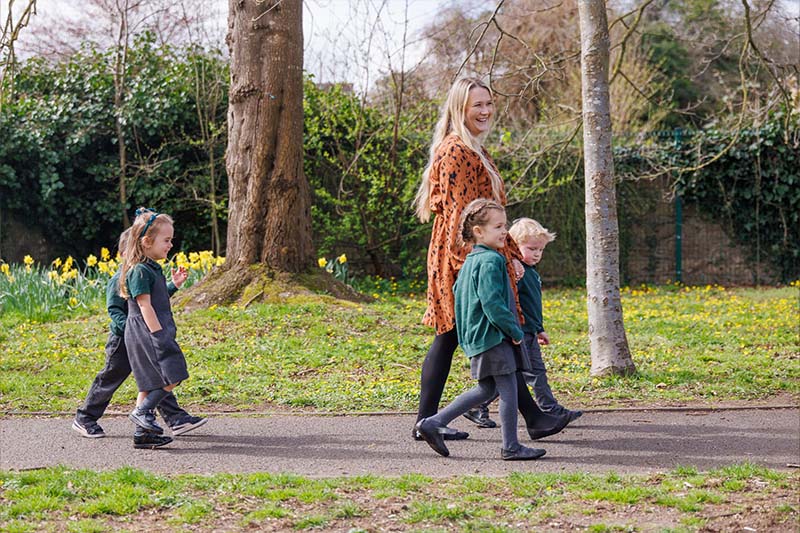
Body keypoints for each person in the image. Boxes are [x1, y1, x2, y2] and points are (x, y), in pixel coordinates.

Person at [413, 76, 570, 442]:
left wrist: (508, 252)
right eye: (476, 105)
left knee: (452, 337)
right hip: (463, 256)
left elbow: (485, 211)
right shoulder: (457, 151)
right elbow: (465, 218)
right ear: (459, 109)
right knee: (462, 334)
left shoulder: (475, 150)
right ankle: (531, 418)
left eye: (488, 104)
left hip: (471, 253)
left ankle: (429, 423)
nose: (485, 111)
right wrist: (487, 262)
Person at [415, 199, 546, 460]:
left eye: (505, 225)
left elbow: (457, 296)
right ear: (478, 231)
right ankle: (511, 447)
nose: (504, 232)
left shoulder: (472, 260)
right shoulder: (491, 262)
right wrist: (515, 332)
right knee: (508, 391)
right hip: (494, 337)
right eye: (498, 226)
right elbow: (493, 304)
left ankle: (432, 423)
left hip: (480, 338)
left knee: (487, 390)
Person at [72, 228, 207, 447]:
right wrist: (131, 331)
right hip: (123, 341)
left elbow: (153, 300)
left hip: (141, 337)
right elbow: (114, 310)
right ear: (123, 254)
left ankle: (175, 419)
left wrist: (174, 285)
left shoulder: (144, 272)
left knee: (156, 376)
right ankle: (85, 418)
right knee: (110, 378)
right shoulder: (119, 278)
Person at [464, 218, 583, 428]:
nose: (537, 254)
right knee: (527, 375)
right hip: (517, 332)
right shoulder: (515, 272)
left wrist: (539, 329)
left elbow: (532, 305)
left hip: (529, 331)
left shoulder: (532, 273)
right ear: (515, 247)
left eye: (541, 250)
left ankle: (479, 406)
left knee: (524, 375)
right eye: (532, 249)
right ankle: (548, 408)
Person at [120, 208, 192, 449]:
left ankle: (142, 434)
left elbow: (158, 298)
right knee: (175, 372)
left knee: (149, 383)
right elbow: (144, 306)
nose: (171, 244)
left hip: (147, 331)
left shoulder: (150, 268)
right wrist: (159, 336)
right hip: (147, 331)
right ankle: (143, 411)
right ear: (147, 241)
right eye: (167, 240)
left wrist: (174, 285)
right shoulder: (140, 270)